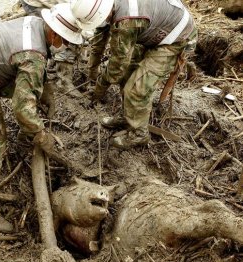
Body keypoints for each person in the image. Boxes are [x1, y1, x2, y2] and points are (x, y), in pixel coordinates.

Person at [0, 3, 82, 230]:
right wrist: (39, 134)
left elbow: (27, 71)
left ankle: (24, 134)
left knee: (30, 94)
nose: (66, 45)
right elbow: (22, 108)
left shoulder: (36, 24)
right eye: (65, 40)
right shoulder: (33, 55)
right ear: (54, 32)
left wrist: (44, 90)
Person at [71, 0, 198, 150]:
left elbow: (117, 67)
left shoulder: (126, 22)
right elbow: (114, 57)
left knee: (138, 88)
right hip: (155, 29)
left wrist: (100, 88)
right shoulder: (112, 7)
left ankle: (139, 134)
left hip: (177, 38)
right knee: (127, 74)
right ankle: (127, 116)